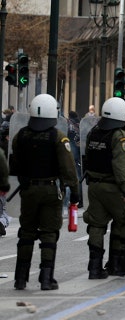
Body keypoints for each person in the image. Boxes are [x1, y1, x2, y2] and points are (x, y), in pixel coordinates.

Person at [12, 94, 79, 290]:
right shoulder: (58, 137)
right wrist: (75, 191)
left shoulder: (21, 135)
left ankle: (20, 278)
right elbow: (68, 168)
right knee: (49, 233)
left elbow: (15, 164)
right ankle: (46, 278)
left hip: (29, 190)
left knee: (26, 232)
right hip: (50, 190)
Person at [83, 97, 125, 279]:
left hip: (94, 185)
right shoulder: (120, 136)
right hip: (113, 187)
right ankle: (120, 264)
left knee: (96, 225)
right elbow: (120, 168)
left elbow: (87, 158)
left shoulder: (94, 132)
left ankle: (95, 267)